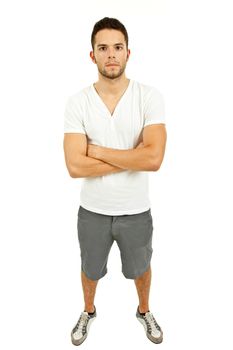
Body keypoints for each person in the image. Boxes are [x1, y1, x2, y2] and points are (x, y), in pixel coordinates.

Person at [63, 17, 167, 346]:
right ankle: (88, 310)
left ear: (128, 53)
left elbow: (153, 159)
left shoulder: (148, 97)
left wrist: (98, 151)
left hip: (136, 210)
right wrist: (128, 156)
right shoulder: (78, 102)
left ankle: (144, 309)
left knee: (141, 266)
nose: (111, 55)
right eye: (103, 48)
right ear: (92, 55)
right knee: (90, 267)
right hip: (91, 210)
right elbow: (74, 166)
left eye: (117, 48)